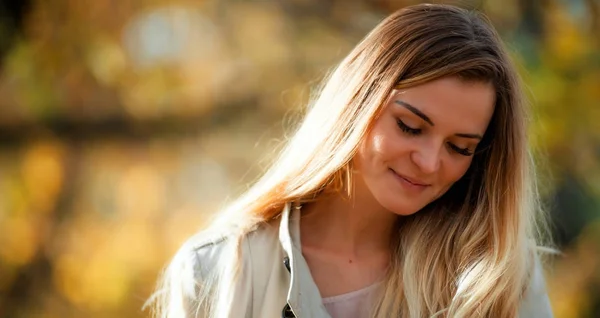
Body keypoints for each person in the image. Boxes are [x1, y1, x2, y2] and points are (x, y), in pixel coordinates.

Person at [148, 3, 554, 318]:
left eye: (459, 147)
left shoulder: (499, 279)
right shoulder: (216, 267)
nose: (430, 162)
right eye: (410, 127)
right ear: (357, 103)